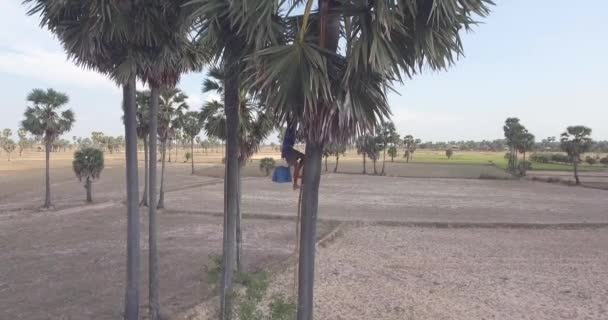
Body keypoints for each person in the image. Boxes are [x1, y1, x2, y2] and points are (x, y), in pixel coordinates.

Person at [281, 120, 305, 190]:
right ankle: (295, 184)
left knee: (304, 157)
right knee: (296, 165)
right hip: (287, 150)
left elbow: (300, 136)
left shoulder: (294, 131)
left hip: (290, 150)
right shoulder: (290, 129)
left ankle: (297, 173)